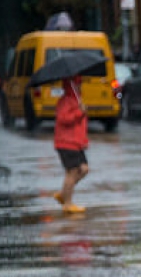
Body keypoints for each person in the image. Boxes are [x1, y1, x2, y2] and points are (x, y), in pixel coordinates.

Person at [53, 75, 89, 214]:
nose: (80, 86)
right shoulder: (66, 101)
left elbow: (80, 125)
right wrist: (80, 112)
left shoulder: (76, 100)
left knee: (84, 169)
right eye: (78, 84)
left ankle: (63, 193)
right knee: (72, 171)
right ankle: (67, 203)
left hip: (76, 143)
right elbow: (64, 119)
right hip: (66, 143)